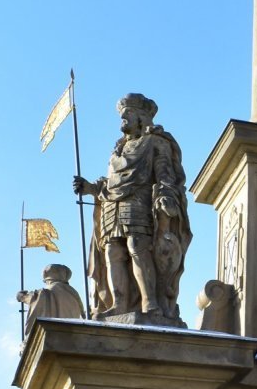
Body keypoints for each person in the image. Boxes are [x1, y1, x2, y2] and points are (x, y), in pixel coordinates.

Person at [75, 93, 191, 323]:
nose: (123, 118)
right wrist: (90, 187)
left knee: (137, 246)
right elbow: (110, 182)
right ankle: (119, 303)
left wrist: (167, 196)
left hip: (138, 201)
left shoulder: (156, 141)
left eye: (128, 113)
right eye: (122, 115)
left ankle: (150, 302)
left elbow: (165, 175)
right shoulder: (117, 149)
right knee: (112, 252)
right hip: (111, 205)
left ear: (141, 117)